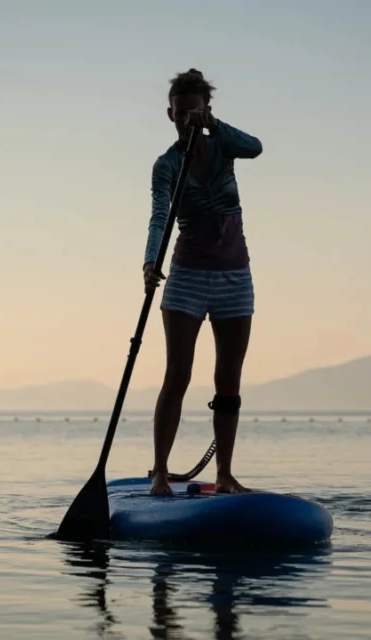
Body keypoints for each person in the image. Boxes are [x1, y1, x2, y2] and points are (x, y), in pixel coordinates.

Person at [143, 68, 263, 496]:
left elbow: (258, 147)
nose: (187, 120)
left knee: (228, 379)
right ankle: (159, 471)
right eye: (181, 114)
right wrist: (149, 261)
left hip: (234, 275)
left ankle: (225, 475)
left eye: (197, 113)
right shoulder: (167, 165)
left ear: (207, 111)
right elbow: (161, 216)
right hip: (188, 276)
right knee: (177, 374)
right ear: (170, 114)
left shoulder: (225, 147)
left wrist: (213, 126)